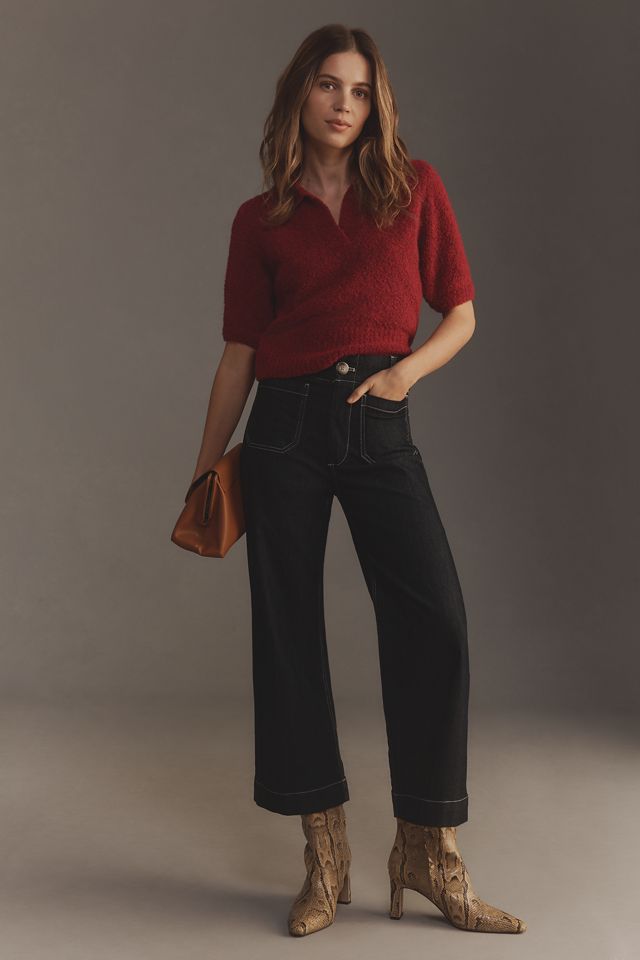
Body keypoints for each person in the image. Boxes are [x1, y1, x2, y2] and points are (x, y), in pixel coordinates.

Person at [191, 23, 527, 938]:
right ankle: (325, 855)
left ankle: (428, 852)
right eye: (329, 85)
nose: (345, 103)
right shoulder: (260, 220)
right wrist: (205, 468)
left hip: (378, 417)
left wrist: (403, 376)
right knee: (289, 634)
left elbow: (460, 314)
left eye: (361, 89)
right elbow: (240, 353)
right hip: (284, 429)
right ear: (299, 94)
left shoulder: (414, 190)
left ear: (378, 104)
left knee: (436, 619)